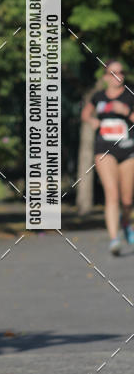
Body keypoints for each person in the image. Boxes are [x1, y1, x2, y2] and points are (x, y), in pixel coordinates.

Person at [81, 59, 134, 255]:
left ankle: (126, 222)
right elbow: (85, 114)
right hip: (104, 149)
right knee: (112, 194)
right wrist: (93, 121)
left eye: (120, 73)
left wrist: (126, 112)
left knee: (127, 200)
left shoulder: (130, 95)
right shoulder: (98, 96)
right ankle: (114, 239)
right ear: (105, 77)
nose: (117, 76)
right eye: (112, 73)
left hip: (128, 149)